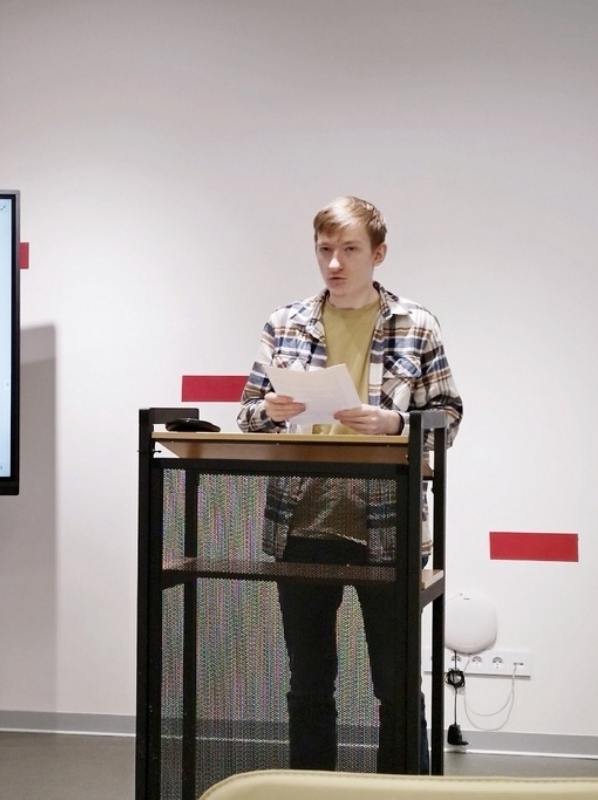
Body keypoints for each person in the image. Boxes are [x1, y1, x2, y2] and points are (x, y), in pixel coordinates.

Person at [236, 196, 462, 773]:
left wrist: (396, 424)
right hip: (301, 520)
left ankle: (401, 791)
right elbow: (247, 416)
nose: (334, 263)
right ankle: (311, 788)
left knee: (395, 680)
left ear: (378, 253)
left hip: (388, 523)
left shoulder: (416, 324)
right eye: (325, 250)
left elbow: (449, 417)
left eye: (350, 249)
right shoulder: (285, 322)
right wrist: (271, 411)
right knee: (309, 680)